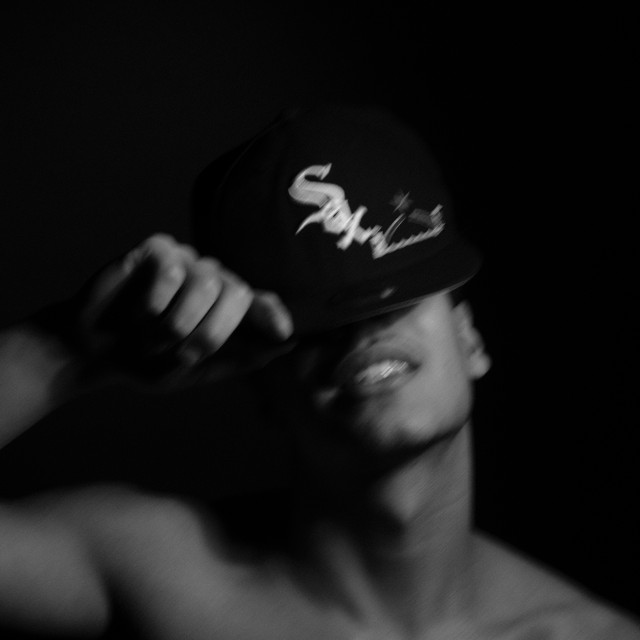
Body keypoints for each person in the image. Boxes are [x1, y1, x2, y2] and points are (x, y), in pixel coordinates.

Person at [0, 103, 638, 640]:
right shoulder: (165, 580)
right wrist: (62, 352)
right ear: (257, 383)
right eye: (314, 321)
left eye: (399, 297)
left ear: (469, 337)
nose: (360, 332)